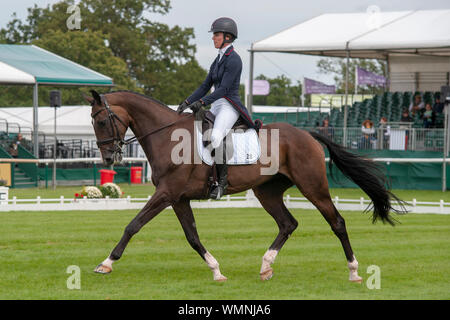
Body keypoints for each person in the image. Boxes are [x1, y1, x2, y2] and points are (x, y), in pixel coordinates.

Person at [177, 17, 261, 200]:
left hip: (229, 105)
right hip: (217, 104)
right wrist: (186, 102)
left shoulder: (234, 60)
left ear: (228, 37)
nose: (213, 38)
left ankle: (222, 182)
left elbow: (223, 89)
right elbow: (204, 85)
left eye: (216, 34)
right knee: (195, 130)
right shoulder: (217, 60)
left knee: (215, 136)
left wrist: (202, 102)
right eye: (214, 34)